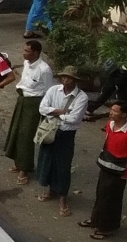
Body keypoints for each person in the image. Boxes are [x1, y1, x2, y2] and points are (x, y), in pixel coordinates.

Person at [34, 66, 87, 216]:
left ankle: (63, 197)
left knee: (63, 165)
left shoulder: (81, 97)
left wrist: (55, 113)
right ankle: (51, 190)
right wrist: (61, 112)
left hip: (66, 134)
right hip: (50, 130)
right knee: (47, 160)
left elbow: (74, 119)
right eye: (64, 77)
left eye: (69, 78)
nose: (65, 80)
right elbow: (42, 108)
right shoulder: (53, 90)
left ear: (75, 80)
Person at [83, 101, 127, 239]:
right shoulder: (110, 124)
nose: (111, 112)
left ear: (124, 114)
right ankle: (95, 220)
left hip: (118, 171)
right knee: (101, 194)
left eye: (115, 111)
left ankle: (107, 228)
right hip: (106, 165)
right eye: (111, 110)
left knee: (111, 200)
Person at [3, 40, 51, 183]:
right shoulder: (26, 64)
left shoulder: (44, 70)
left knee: (27, 135)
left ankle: (25, 168)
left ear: (35, 53)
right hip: (23, 99)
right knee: (17, 130)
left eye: (27, 51)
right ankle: (18, 162)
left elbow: (48, 91)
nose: (23, 53)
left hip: (34, 103)